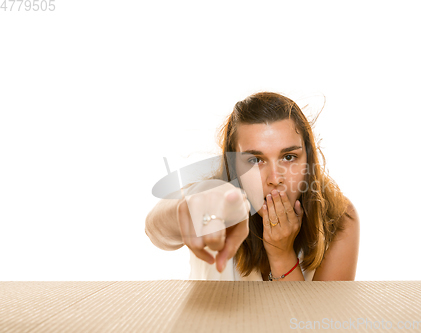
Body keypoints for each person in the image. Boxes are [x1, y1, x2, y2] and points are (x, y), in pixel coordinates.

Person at [145, 92, 360, 281]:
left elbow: (314, 324)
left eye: (289, 156)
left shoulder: (339, 217)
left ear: (308, 160)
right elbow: (155, 231)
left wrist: (282, 256)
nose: (275, 178)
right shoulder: (214, 198)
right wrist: (188, 209)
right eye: (255, 160)